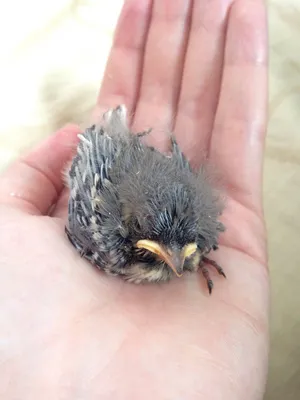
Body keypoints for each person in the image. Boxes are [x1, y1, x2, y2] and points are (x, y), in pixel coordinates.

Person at [0, 0, 269, 398]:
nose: (177, 262)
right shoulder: (102, 234)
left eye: (184, 248)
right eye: (166, 248)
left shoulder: (197, 231)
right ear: (127, 222)